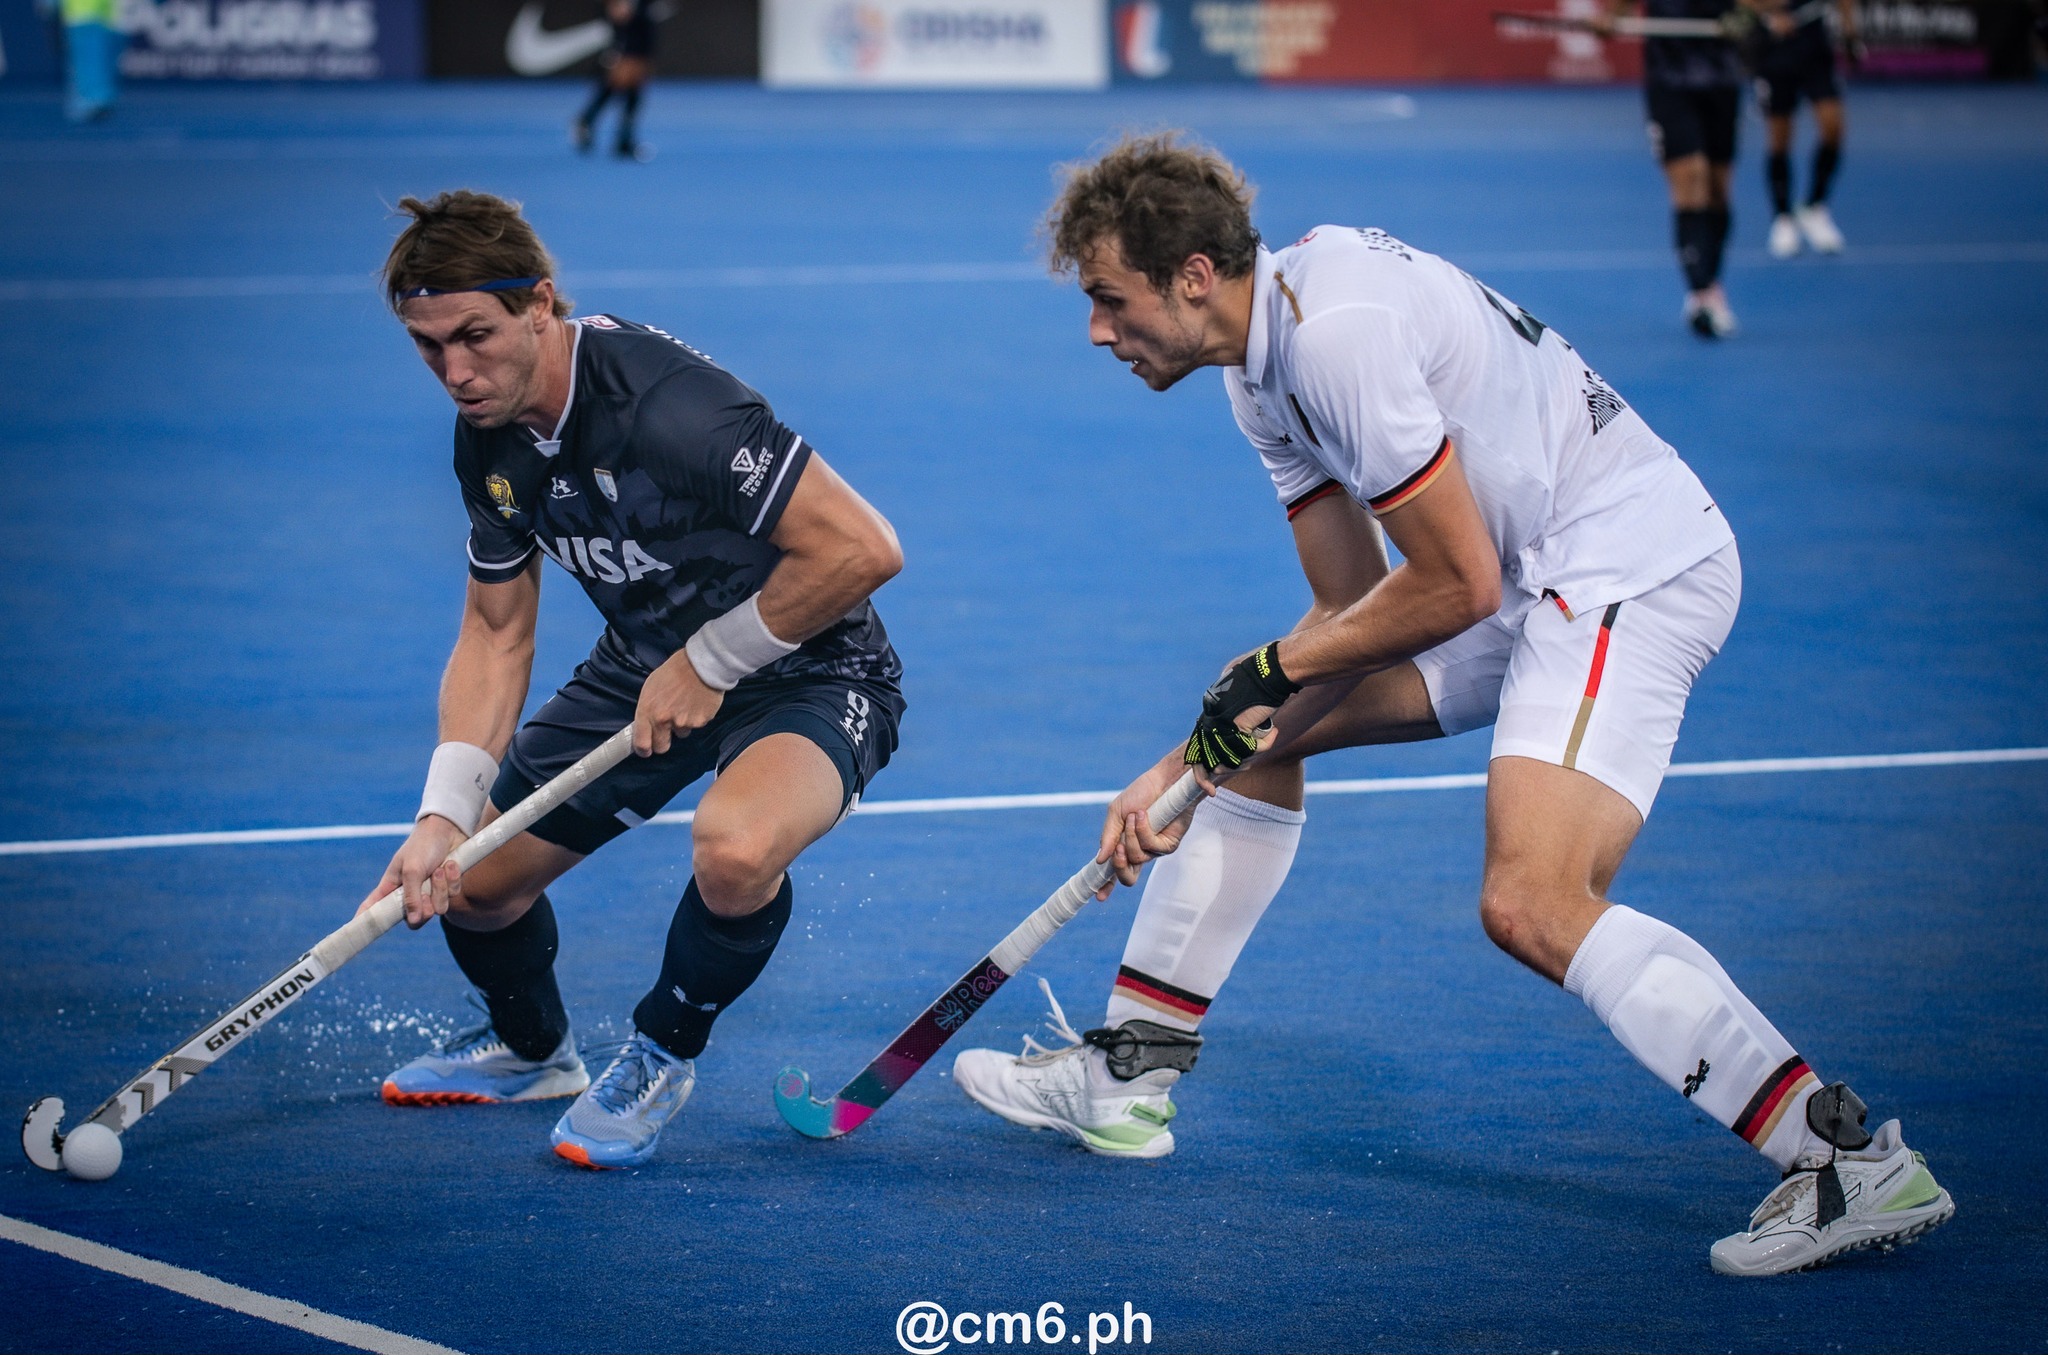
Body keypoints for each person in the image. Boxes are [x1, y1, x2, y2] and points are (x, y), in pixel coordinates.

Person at [951, 135, 1955, 1276]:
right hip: (1524, 570)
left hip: (1622, 564)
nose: (1095, 331)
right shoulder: (1254, 367)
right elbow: (1341, 608)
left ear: (1190, 275)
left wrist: (1258, 686)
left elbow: (1452, 586)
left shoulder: (1335, 336)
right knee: (1254, 735)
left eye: (1107, 299)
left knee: (1529, 899)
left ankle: (1843, 1158)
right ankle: (1130, 1071)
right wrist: (1195, 754)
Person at [365, 190, 905, 1169]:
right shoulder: (487, 439)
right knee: (473, 884)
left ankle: (659, 1050)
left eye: (474, 335)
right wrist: (445, 809)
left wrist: (712, 659)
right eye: (427, 345)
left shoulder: (667, 407)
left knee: (733, 850)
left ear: (540, 303)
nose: (453, 370)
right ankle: (535, 1053)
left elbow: (862, 549)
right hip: (646, 669)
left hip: (808, 666)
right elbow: (494, 631)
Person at [1607, 0, 1753, 337]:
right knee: (1691, 179)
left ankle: (1712, 283)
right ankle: (1701, 294)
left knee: (1718, 190)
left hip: (1722, 78)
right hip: (1669, 81)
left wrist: (1748, 15)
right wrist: (1611, 19)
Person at [1754, 0, 1855, 257]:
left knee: (1833, 127)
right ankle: (1783, 217)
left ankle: (1814, 206)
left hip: (1813, 43)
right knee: (1779, 138)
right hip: (1774, 47)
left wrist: (1849, 27)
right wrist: (1769, 15)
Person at [572, 0, 660, 161]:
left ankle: (592, 125)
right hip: (628, 52)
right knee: (622, 92)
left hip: (638, 49)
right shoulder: (628, 14)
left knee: (625, 94)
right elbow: (620, 13)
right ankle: (592, 125)